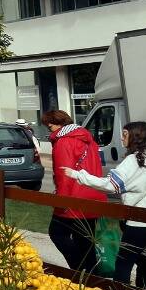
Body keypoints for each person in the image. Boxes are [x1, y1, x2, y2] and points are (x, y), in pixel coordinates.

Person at [66, 121, 146, 290]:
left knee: (123, 265)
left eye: (125, 134)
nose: (121, 137)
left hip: (139, 222)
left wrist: (78, 175)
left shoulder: (134, 160)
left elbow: (111, 185)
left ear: (136, 136)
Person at [43, 108, 106, 274]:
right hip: (93, 194)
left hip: (73, 197)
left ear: (57, 124)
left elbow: (64, 175)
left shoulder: (63, 142)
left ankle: (78, 270)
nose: (48, 129)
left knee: (57, 233)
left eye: (49, 126)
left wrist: (61, 200)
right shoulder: (89, 140)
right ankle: (92, 277)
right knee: (85, 240)